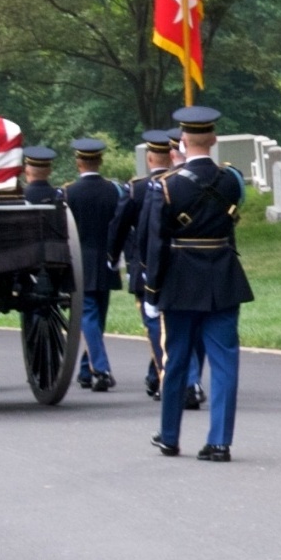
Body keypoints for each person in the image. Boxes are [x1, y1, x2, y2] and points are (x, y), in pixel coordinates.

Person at [142, 104, 253, 461]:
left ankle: (170, 436)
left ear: (183, 142)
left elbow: (156, 244)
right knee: (224, 364)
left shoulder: (166, 186)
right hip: (223, 277)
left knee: (176, 362)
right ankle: (220, 441)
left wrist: (151, 291)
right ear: (215, 139)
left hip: (180, 281)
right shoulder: (232, 180)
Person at [110, 129, 175, 398]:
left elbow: (119, 227)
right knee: (167, 327)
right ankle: (155, 374)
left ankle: (166, 379)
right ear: (170, 158)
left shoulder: (136, 188)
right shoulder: (177, 183)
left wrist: (112, 258)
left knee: (154, 327)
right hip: (177, 264)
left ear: (150, 159)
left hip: (145, 267)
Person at [65, 137, 124, 392]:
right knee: (98, 316)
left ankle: (99, 368)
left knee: (89, 316)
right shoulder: (115, 190)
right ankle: (86, 370)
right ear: (99, 161)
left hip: (80, 260)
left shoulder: (68, 193)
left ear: (79, 162)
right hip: (107, 258)